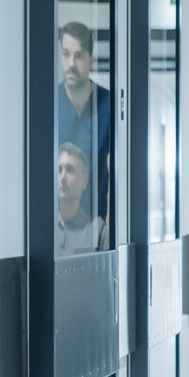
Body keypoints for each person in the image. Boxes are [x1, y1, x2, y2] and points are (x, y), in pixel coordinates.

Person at [57, 19, 112, 228]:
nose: (71, 63)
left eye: (78, 55)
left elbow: (116, 169)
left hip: (95, 227)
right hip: (55, 227)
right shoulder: (50, 103)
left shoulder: (108, 104)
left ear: (90, 59)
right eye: (65, 54)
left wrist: (109, 227)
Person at [55, 141, 103, 255]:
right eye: (59, 170)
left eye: (69, 170)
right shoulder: (42, 231)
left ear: (84, 180)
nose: (62, 177)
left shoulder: (99, 231)